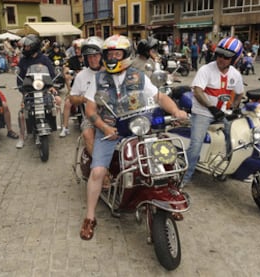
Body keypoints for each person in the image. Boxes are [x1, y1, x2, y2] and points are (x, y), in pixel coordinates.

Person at [79, 35, 187, 240]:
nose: (112, 57)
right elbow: (90, 108)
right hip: (110, 130)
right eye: (109, 54)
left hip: (137, 128)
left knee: (164, 160)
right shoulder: (99, 79)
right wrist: (103, 127)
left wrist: (176, 111)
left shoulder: (139, 76)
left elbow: (159, 97)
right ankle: (90, 217)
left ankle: (166, 198)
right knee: (98, 171)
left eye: (117, 53)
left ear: (126, 55)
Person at [182, 37, 244, 186]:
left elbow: (240, 93)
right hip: (202, 113)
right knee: (195, 146)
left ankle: (223, 168)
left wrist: (234, 108)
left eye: (226, 56)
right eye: (219, 54)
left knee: (235, 140)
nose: (221, 59)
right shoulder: (206, 69)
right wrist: (211, 108)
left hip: (222, 113)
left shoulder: (235, 74)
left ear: (234, 59)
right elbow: (197, 91)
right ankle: (184, 178)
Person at [15, 34, 62, 148]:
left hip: (44, 89)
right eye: (24, 46)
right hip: (29, 91)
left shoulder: (44, 59)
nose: (24, 49)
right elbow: (19, 77)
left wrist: (52, 86)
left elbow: (51, 74)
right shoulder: (23, 60)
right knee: (22, 113)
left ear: (33, 46)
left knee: (58, 100)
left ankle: (59, 125)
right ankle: (22, 136)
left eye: (27, 46)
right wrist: (22, 90)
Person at [68, 36, 104, 156]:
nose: (93, 60)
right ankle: (97, 163)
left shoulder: (110, 72)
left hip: (113, 114)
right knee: (88, 133)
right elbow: (72, 98)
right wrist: (85, 98)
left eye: (95, 56)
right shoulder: (81, 76)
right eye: (89, 57)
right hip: (90, 117)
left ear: (101, 55)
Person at [60, 38, 86, 137]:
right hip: (76, 88)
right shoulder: (72, 60)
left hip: (89, 87)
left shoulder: (89, 59)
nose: (76, 50)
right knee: (67, 103)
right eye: (75, 48)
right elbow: (66, 72)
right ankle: (65, 127)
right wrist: (68, 74)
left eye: (79, 48)